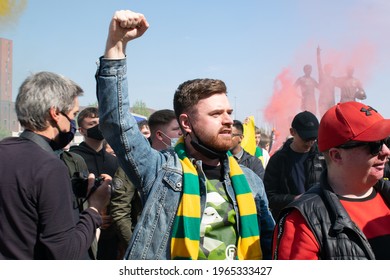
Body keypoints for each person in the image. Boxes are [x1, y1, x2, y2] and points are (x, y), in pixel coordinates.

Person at [96, 9, 275, 260]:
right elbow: (117, 123)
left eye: (229, 112)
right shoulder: (160, 172)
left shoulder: (250, 181)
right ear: (186, 123)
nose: (227, 121)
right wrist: (117, 44)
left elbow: (269, 246)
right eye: (215, 114)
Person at [0, 71, 111, 259]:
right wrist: (94, 208)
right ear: (55, 113)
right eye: (74, 114)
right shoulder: (49, 167)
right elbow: (65, 253)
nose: (73, 124)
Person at [273, 101, 390, 259]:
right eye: (374, 145)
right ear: (337, 155)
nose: (386, 151)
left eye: (385, 141)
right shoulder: (301, 221)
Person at [111, 109, 182, 257]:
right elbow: (120, 211)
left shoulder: (181, 164)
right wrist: (139, 247)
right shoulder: (136, 165)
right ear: (160, 135)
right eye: (176, 130)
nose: (181, 134)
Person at [69, 106, 120, 259]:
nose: (98, 127)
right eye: (92, 124)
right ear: (81, 130)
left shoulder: (114, 161)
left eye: (100, 122)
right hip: (83, 231)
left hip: (112, 234)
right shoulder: (73, 158)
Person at [263, 111, 326, 220]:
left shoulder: (323, 156)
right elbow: (269, 197)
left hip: (319, 218)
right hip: (289, 220)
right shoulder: (278, 160)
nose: (310, 143)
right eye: (306, 139)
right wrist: (294, 199)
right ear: (292, 132)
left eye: (313, 139)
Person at [316, 46, 337, 117]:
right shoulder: (322, 76)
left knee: (331, 117)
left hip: (331, 101)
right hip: (323, 101)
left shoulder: (333, 78)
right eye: (328, 69)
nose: (330, 70)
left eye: (330, 69)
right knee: (323, 117)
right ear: (325, 69)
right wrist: (318, 54)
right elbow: (319, 65)